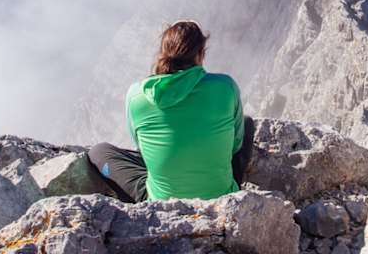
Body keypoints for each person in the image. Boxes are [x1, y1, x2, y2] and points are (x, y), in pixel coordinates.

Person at [87, 20, 253, 202]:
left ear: (163, 53)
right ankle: (226, 186)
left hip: (162, 201)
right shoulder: (225, 86)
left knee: (99, 151)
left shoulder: (136, 95)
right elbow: (236, 146)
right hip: (221, 197)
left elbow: (141, 146)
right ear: (200, 54)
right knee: (246, 123)